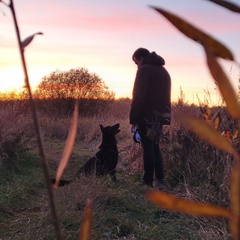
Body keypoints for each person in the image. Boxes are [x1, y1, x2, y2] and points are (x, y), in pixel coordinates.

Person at [129, 48, 171, 188]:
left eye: (136, 62)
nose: (137, 66)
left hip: (146, 116)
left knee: (148, 148)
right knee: (155, 146)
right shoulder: (164, 72)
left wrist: (133, 119)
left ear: (141, 58)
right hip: (160, 116)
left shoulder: (144, 70)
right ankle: (160, 179)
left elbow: (138, 97)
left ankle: (147, 181)